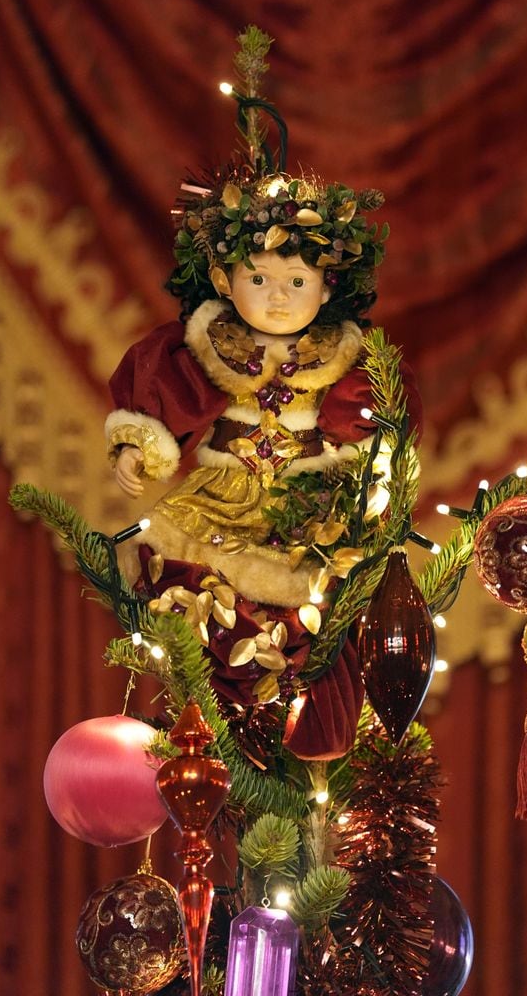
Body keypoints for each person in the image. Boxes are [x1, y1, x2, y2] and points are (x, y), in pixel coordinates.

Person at [105, 170, 422, 758]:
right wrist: (136, 444)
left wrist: (371, 475)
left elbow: (373, 424)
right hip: (221, 492)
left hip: (305, 502)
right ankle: (227, 703)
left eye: (297, 280)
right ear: (224, 281)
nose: (279, 296)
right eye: (259, 278)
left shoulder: (343, 359)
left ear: (327, 288)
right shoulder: (209, 345)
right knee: (178, 563)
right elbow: (162, 392)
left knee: (322, 586)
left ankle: (294, 695)